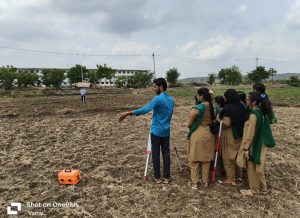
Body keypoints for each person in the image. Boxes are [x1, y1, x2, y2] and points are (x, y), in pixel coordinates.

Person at [117, 78, 174, 184]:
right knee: (166, 153)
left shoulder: (158, 99)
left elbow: (145, 109)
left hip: (156, 131)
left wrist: (128, 113)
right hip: (166, 131)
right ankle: (166, 176)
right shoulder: (171, 99)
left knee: (156, 154)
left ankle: (157, 177)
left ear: (161, 87)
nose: (153, 89)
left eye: (155, 87)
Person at [237, 91, 276, 196]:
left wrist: (246, 149)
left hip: (254, 144)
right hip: (261, 143)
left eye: (248, 100)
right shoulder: (263, 113)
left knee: (252, 166)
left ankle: (253, 189)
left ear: (254, 102)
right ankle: (263, 187)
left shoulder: (254, 116)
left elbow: (250, 136)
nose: (246, 101)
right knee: (259, 165)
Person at [216, 89, 247, 185]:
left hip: (230, 134)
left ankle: (231, 178)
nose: (224, 98)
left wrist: (218, 119)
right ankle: (239, 176)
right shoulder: (242, 106)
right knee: (237, 155)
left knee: (228, 156)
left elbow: (227, 123)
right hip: (240, 133)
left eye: (225, 96)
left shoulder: (228, 108)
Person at [187, 88, 216, 189]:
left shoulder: (197, 108)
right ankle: (205, 182)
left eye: (198, 95)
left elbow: (189, 124)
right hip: (210, 135)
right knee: (206, 160)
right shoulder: (213, 107)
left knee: (194, 159)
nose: (197, 97)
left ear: (201, 96)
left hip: (198, 134)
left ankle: (194, 183)